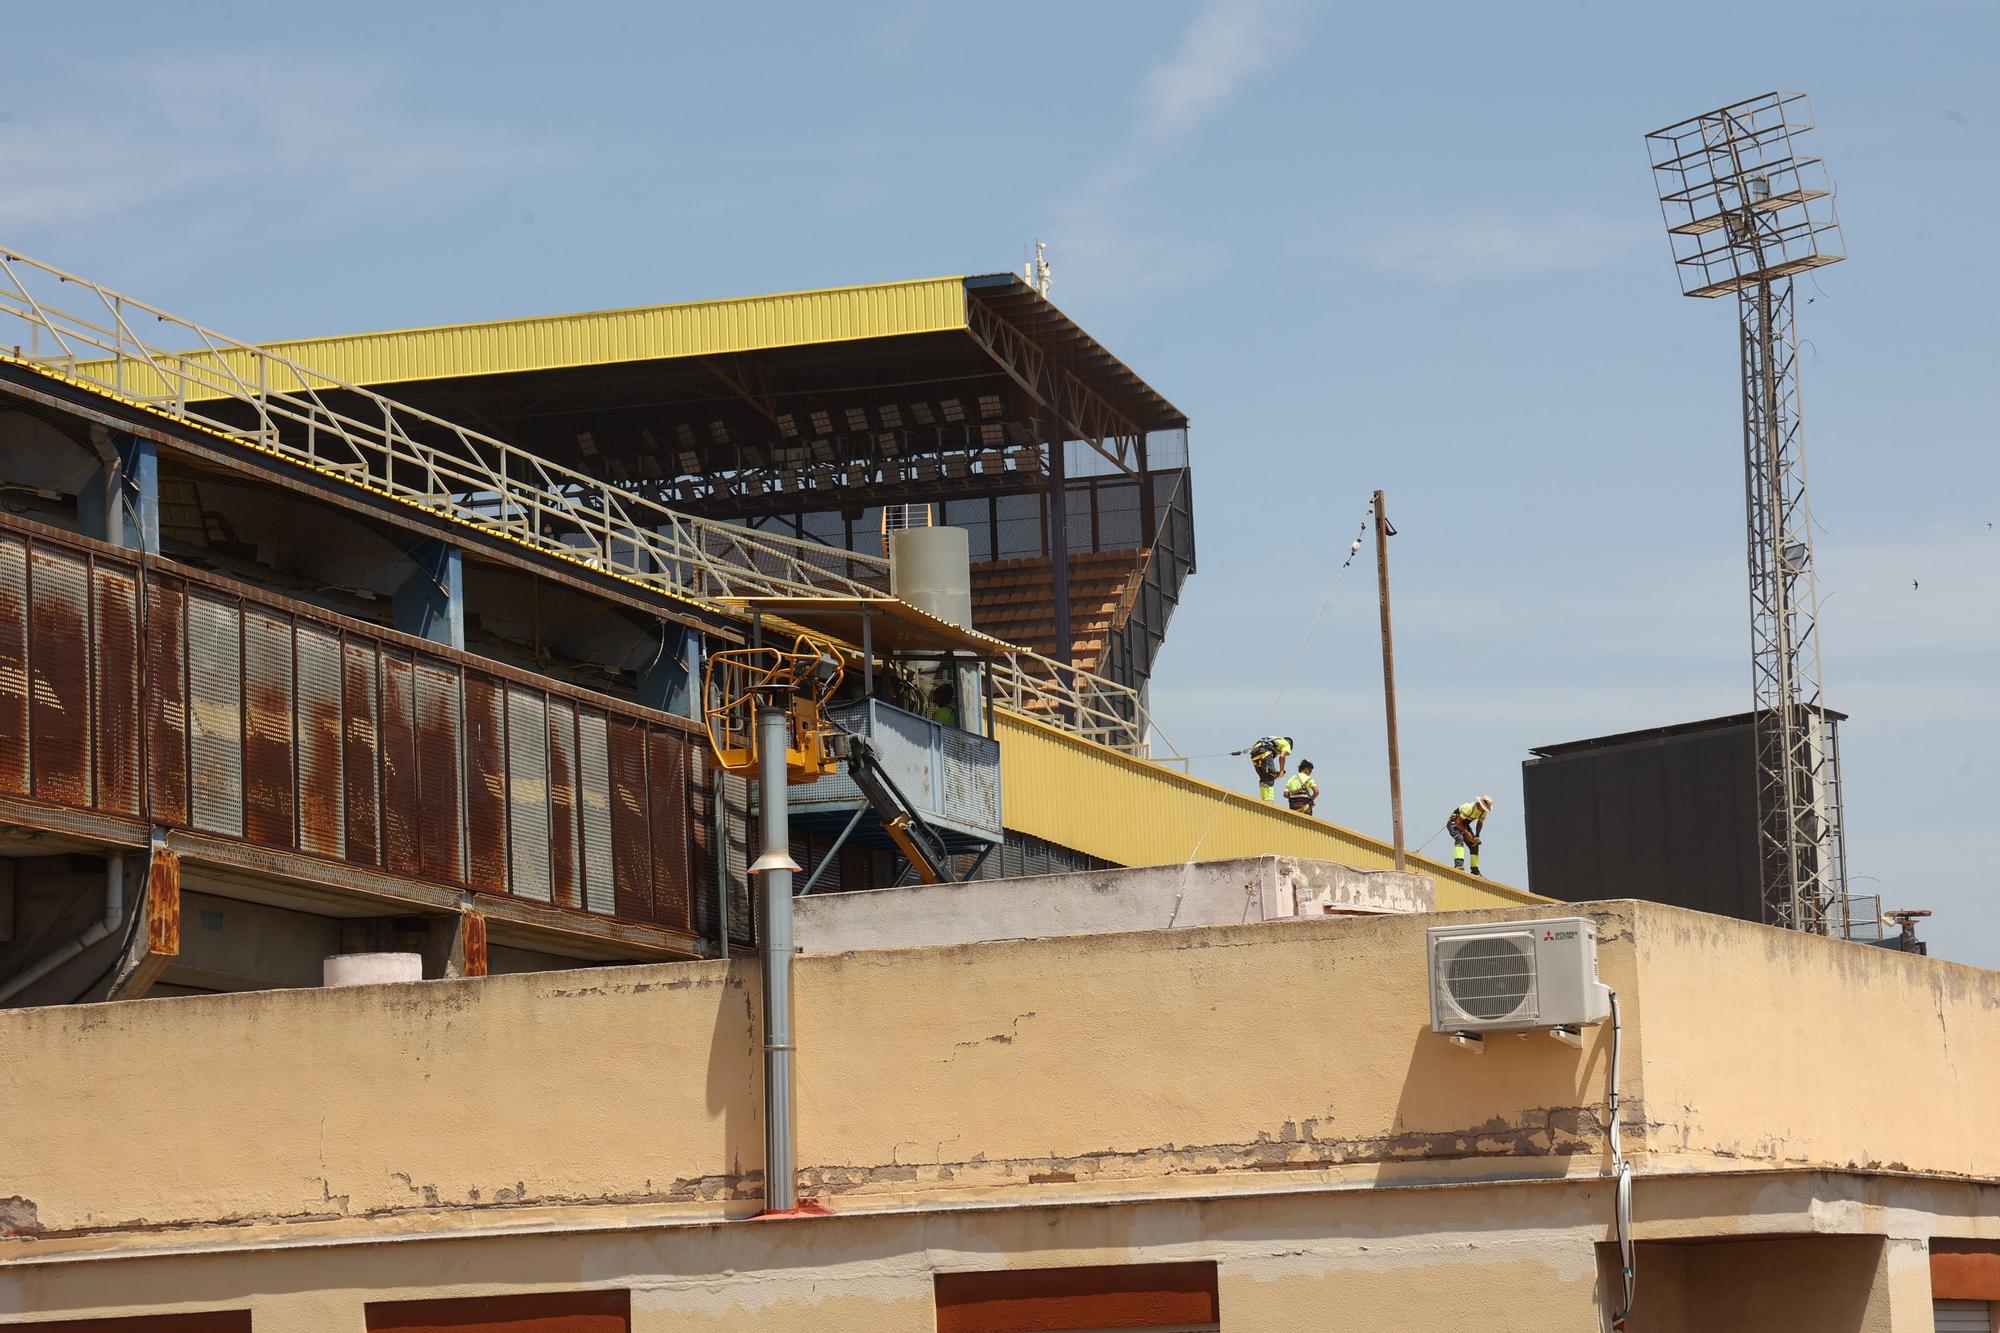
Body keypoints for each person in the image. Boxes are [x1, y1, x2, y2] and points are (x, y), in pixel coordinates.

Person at [1448, 795, 1495, 876]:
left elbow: (1480, 823)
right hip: (1454, 823)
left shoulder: (1484, 811)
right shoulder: (1468, 807)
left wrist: (1476, 836)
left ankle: (1475, 870)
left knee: (1474, 844)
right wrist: (1468, 834)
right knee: (1459, 838)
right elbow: (1458, 822)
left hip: (1464, 825)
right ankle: (1459, 865)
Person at [1246, 736, 1293, 801]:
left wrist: (1274, 773)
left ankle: (1264, 799)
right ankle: (1269, 800)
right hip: (1264, 752)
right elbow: (1282, 756)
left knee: (1264, 778)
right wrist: (1281, 770)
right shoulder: (1286, 744)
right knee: (1270, 776)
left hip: (1254, 754)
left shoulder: (1275, 740)